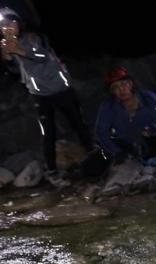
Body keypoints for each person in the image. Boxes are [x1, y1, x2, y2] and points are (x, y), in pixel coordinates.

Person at [0, 6, 94, 187]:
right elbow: (14, 71)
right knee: (48, 133)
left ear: (18, 23)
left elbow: (43, 56)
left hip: (61, 89)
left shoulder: (33, 37)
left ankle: (96, 157)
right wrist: (7, 57)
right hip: (40, 95)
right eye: (4, 24)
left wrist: (20, 51)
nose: (9, 26)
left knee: (78, 124)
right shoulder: (6, 44)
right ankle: (52, 171)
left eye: (12, 21)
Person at [91, 66, 156, 189]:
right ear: (112, 91)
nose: (121, 89)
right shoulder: (108, 106)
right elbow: (101, 132)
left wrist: (152, 128)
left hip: (148, 142)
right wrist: (116, 151)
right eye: (116, 87)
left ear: (131, 83)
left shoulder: (148, 98)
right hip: (126, 146)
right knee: (94, 163)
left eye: (124, 84)